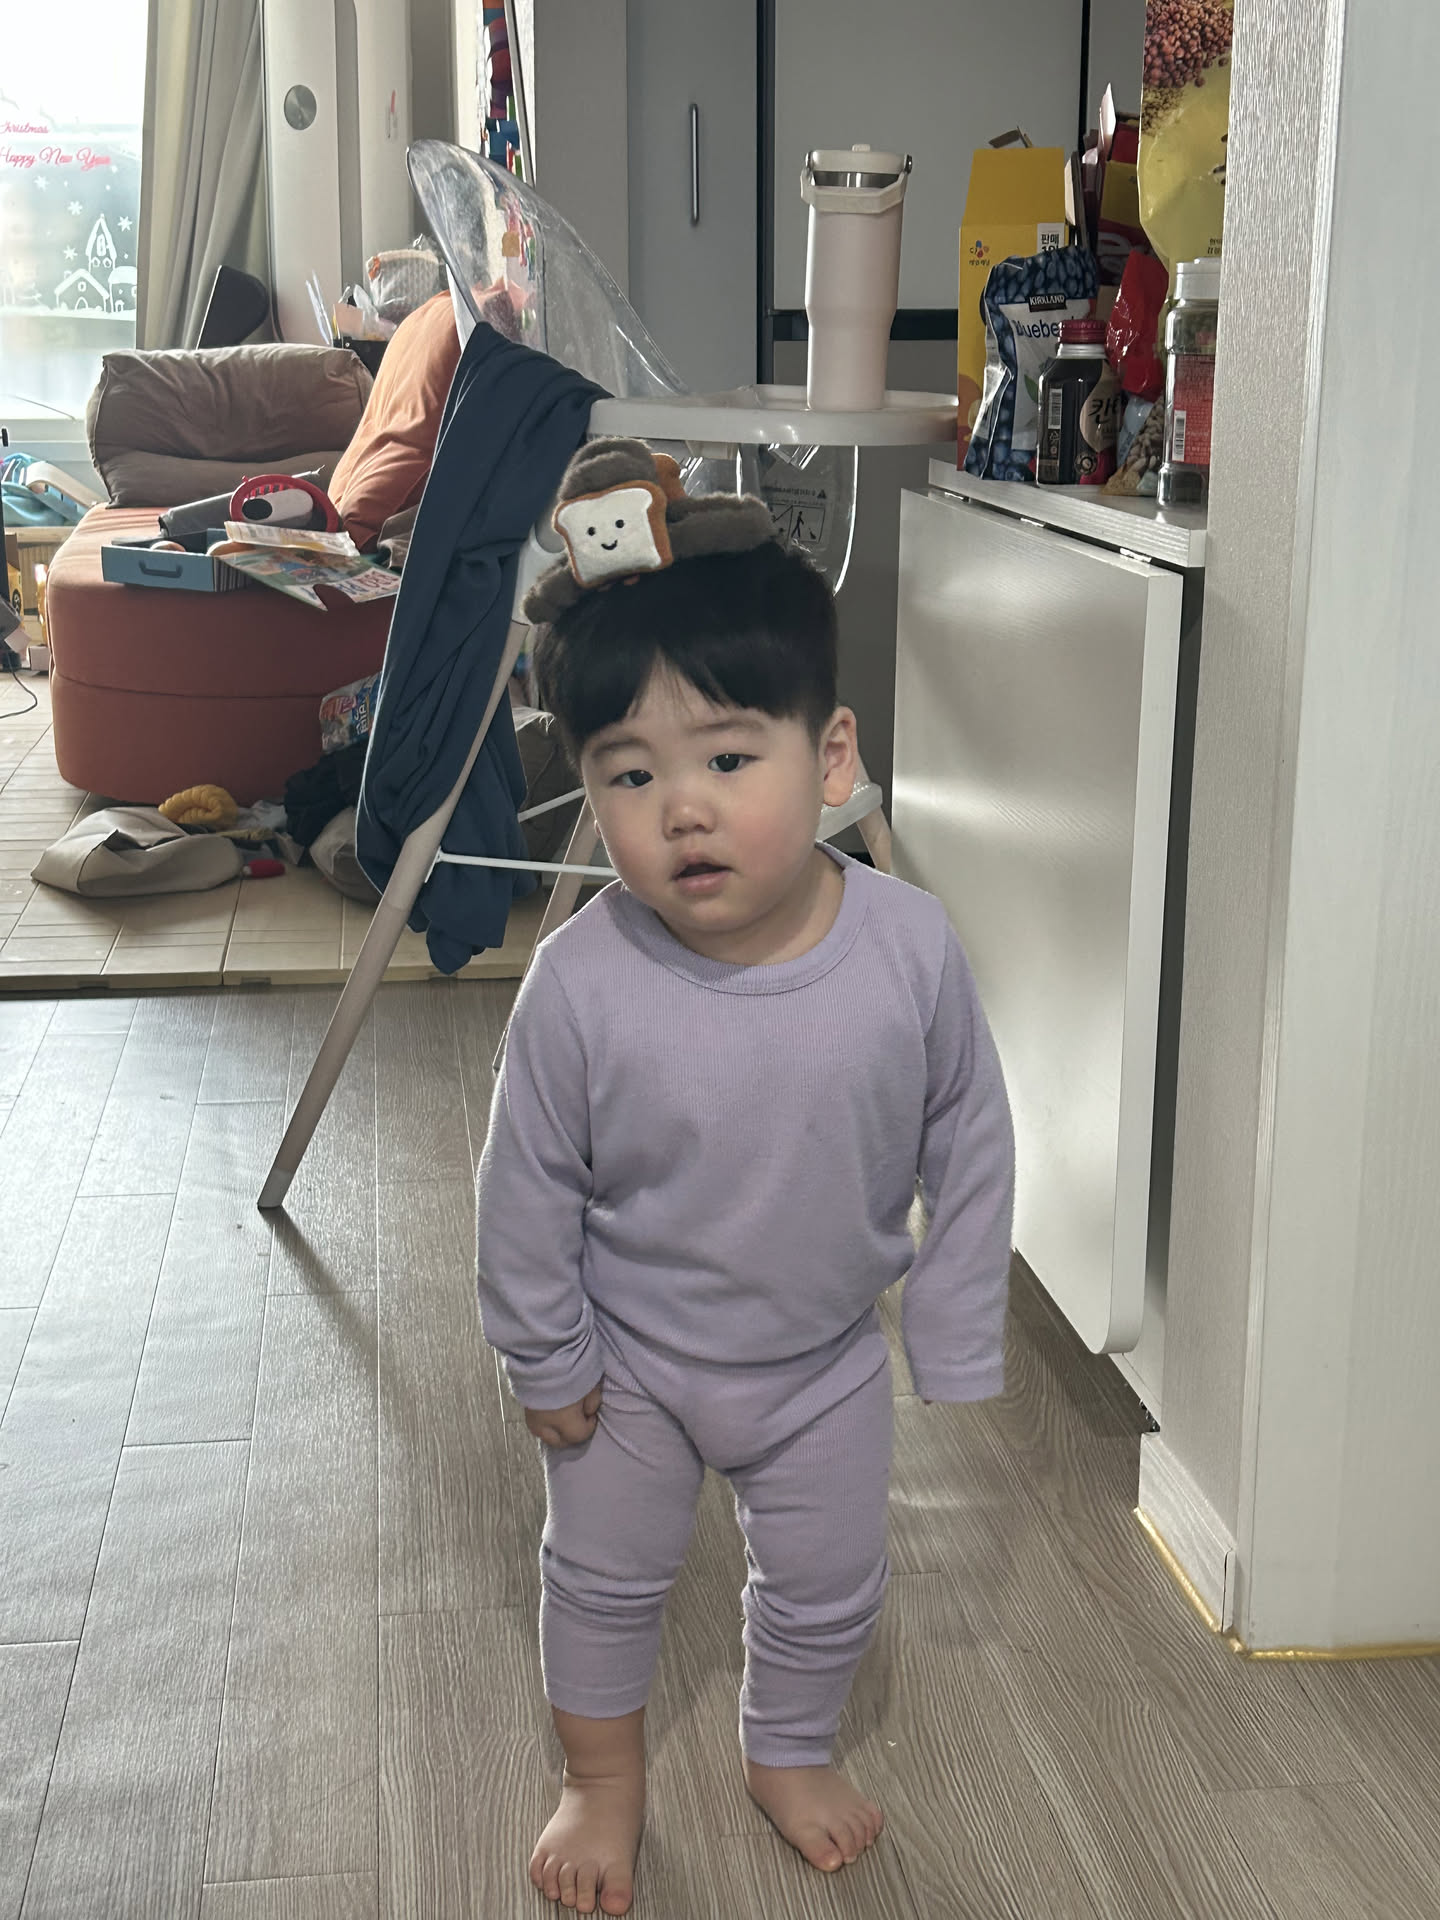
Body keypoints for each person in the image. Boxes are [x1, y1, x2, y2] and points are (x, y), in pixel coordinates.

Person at [476, 440, 1014, 1918]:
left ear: (830, 760)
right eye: (629, 774)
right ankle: (600, 1780)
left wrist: (953, 1326)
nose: (682, 810)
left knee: (832, 1583)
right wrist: (545, 1354)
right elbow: (524, 1189)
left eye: (726, 759)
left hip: (824, 1360)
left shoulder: (909, 949)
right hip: (630, 1368)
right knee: (601, 1583)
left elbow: (970, 1138)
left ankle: (788, 1748)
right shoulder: (581, 984)